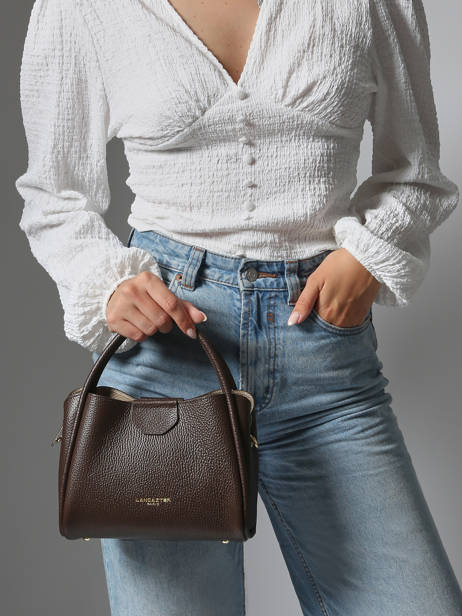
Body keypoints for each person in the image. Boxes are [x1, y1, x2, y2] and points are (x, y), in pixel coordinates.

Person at [15, 0, 462, 614]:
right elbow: (53, 194)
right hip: (166, 360)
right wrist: (107, 284)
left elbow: (415, 169)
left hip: (325, 361)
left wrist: (367, 255)